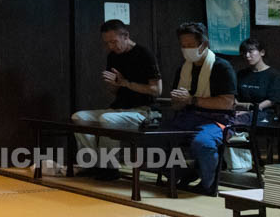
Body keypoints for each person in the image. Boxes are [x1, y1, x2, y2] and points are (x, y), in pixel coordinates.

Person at [72, 20, 162, 180]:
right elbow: (115, 90)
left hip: (143, 111)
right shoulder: (113, 57)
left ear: (126, 36)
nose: (111, 46)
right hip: (119, 108)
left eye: (114, 42)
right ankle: (91, 163)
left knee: (106, 119)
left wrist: (125, 83)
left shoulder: (144, 54)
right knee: (79, 117)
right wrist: (113, 85)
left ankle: (109, 167)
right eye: (107, 43)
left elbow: (156, 90)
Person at [166, 22, 237, 193]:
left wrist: (191, 100)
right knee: (156, 137)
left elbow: (227, 103)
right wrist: (177, 101)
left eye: (190, 45)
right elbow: (177, 104)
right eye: (183, 46)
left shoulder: (221, 67)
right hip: (188, 117)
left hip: (219, 121)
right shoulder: (183, 69)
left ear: (204, 44)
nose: (186, 49)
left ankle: (208, 183)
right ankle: (186, 173)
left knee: (203, 142)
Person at [236, 38, 280, 123]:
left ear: (262, 52)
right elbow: (234, 96)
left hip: (264, 113)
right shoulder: (241, 74)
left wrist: (251, 111)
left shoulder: (273, 75)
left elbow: (274, 99)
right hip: (241, 111)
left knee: (238, 120)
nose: (247, 55)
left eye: (250, 51)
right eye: (244, 52)